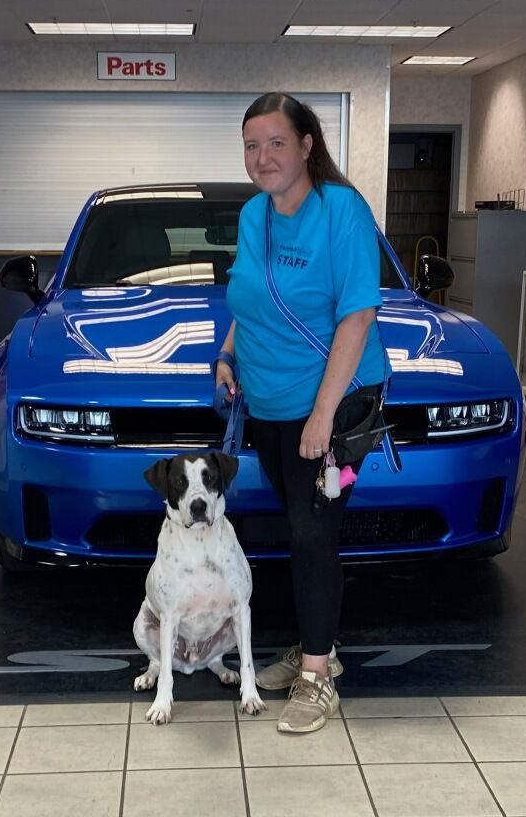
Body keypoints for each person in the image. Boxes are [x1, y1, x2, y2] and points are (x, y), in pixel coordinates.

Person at [214, 92, 388, 734]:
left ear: (308, 143)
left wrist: (323, 416)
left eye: (276, 143)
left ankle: (318, 676)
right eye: (252, 145)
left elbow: (357, 314)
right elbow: (250, 298)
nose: (262, 158)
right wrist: (226, 359)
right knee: (296, 526)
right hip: (268, 405)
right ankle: (318, 648)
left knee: (314, 535)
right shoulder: (254, 215)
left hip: (333, 410)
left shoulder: (341, 210)